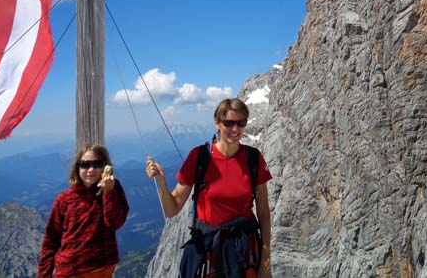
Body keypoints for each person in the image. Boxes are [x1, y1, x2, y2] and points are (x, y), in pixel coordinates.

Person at [146, 98, 272, 278]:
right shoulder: (200, 157)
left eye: (241, 123)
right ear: (217, 122)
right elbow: (172, 209)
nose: (235, 129)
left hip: (244, 249)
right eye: (229, 123)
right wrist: (161, 181)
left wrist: (265, 260)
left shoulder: (254, 158)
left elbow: (264, 212)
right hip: (210, 251)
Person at [38, 143, 129, 278]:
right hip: (70, 272)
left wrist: (108, 193)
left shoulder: (113, 189)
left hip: (102, 270)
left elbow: (115, 222)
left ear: (104, 167)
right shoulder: (63, 200)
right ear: (77, 167)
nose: (90, 170)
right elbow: (50, 241)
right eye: (85, 165)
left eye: (97, 164)